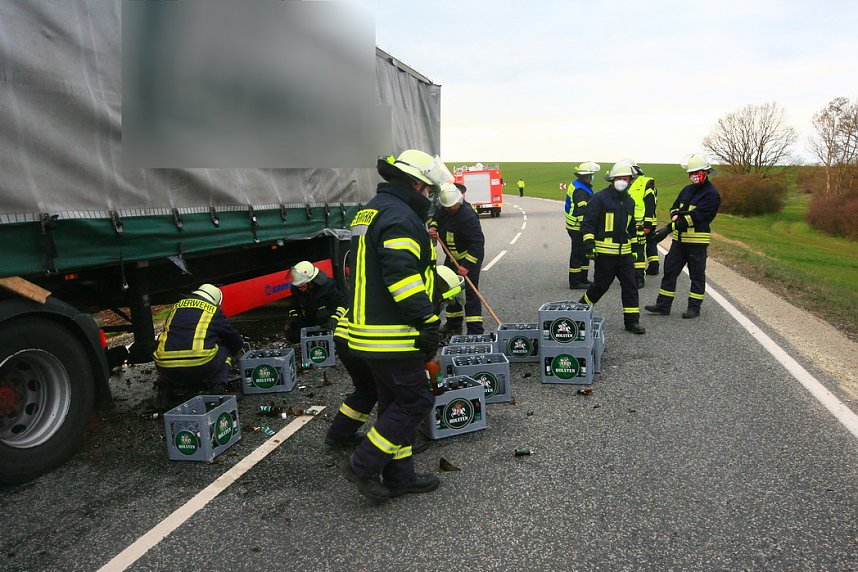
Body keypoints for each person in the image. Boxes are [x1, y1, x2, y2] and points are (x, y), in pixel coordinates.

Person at [339, 149, 451, 502]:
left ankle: (400, 477)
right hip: (392, 333)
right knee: (416, 400)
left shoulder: (375, 209)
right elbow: (401, 277)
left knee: (393, 404)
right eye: (429, 189)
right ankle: (362, 464)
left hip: (369, 330)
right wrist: (427, 320)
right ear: (416, 184)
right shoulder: (400, 217)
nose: (430, 196)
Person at [325, 266, 464, 449]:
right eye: (445, 299)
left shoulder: (403, 286)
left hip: (345, 339)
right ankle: (397, 443)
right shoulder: (418, 300)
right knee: (396, 392)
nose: (444, 303)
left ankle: (339, 435)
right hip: (366, 341)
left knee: (367, 389)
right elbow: (414, 338)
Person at [645, 154, 721, 319]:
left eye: (697, 172)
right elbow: (674, 207)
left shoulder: (711, 194)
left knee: (696, 276)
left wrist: (668, 228)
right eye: (691, 173)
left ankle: (694, 308)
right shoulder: (687, 190)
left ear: (706, 172)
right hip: (679, 242)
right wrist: (674, 214)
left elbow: (695, 217)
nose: (694, 175)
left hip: (697, 243)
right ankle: (663, 305)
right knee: (669, 271)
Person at [578, 161, 645, 334]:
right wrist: (589, 246)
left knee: (631, 286)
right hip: (605, 254)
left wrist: (635, 250)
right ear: (612, 179)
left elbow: (631, 229)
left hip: (625, 255)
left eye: (626, 178)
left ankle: (632, 322)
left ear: (630, 181)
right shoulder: (599, 198)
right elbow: (588, 223)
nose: (622, 181)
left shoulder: (630, 202)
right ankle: (580, 311)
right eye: (619, 178)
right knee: (600, 287)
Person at [152, 284, 244, 408]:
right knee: (225, 349)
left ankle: (164, 393)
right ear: (215, 300)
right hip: (200, 366)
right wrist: (237, 349)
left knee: (169, 351)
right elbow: (233, 339)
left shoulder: (176, 307)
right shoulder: (213, 311)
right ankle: (218, 389)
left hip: (165, 367)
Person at [428, 182, 486, 335]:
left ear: (459, 200)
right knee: (449, 291)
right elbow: (436, 218)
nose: (451, 208)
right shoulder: (444, 208)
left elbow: (477, 243)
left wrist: (466, 266)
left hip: (469, 258)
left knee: (470, 293)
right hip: (452, 258)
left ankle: (475, 330)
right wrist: (433, 227)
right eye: (448, 207)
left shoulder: (468, 216)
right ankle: (453, 325)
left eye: (453, 206)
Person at [285, 260, 347, 344]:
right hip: (310, 317)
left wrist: (335, 319)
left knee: (322, 315)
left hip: (327, 317)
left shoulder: (328, 286)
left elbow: (343, 304)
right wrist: (294, 316)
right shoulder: (296, 289)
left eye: (302, 285)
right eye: (298, 286)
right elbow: (294, 306)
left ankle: (328, 337)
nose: (300, 288)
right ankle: (312, 337)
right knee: (293, 335)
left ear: (311, 281)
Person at [565, 161, 601, 289]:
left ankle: (583, 279)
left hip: (575, 225)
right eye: (592, 175)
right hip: (577, 227)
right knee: (578, 254)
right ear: (588, 176)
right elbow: (582, 211)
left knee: (585, 253)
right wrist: (586, 228)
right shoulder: (581, 190)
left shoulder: (579, 185)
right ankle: (575, 282)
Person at [626, 160, 658, 288]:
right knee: (631, 249)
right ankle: (631, 274)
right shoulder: (626, 184)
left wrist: (648, 225)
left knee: (638, 248)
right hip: (628, 224)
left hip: (641, 224)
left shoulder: (645, 183)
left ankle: (639, 278)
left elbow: (650, 204)